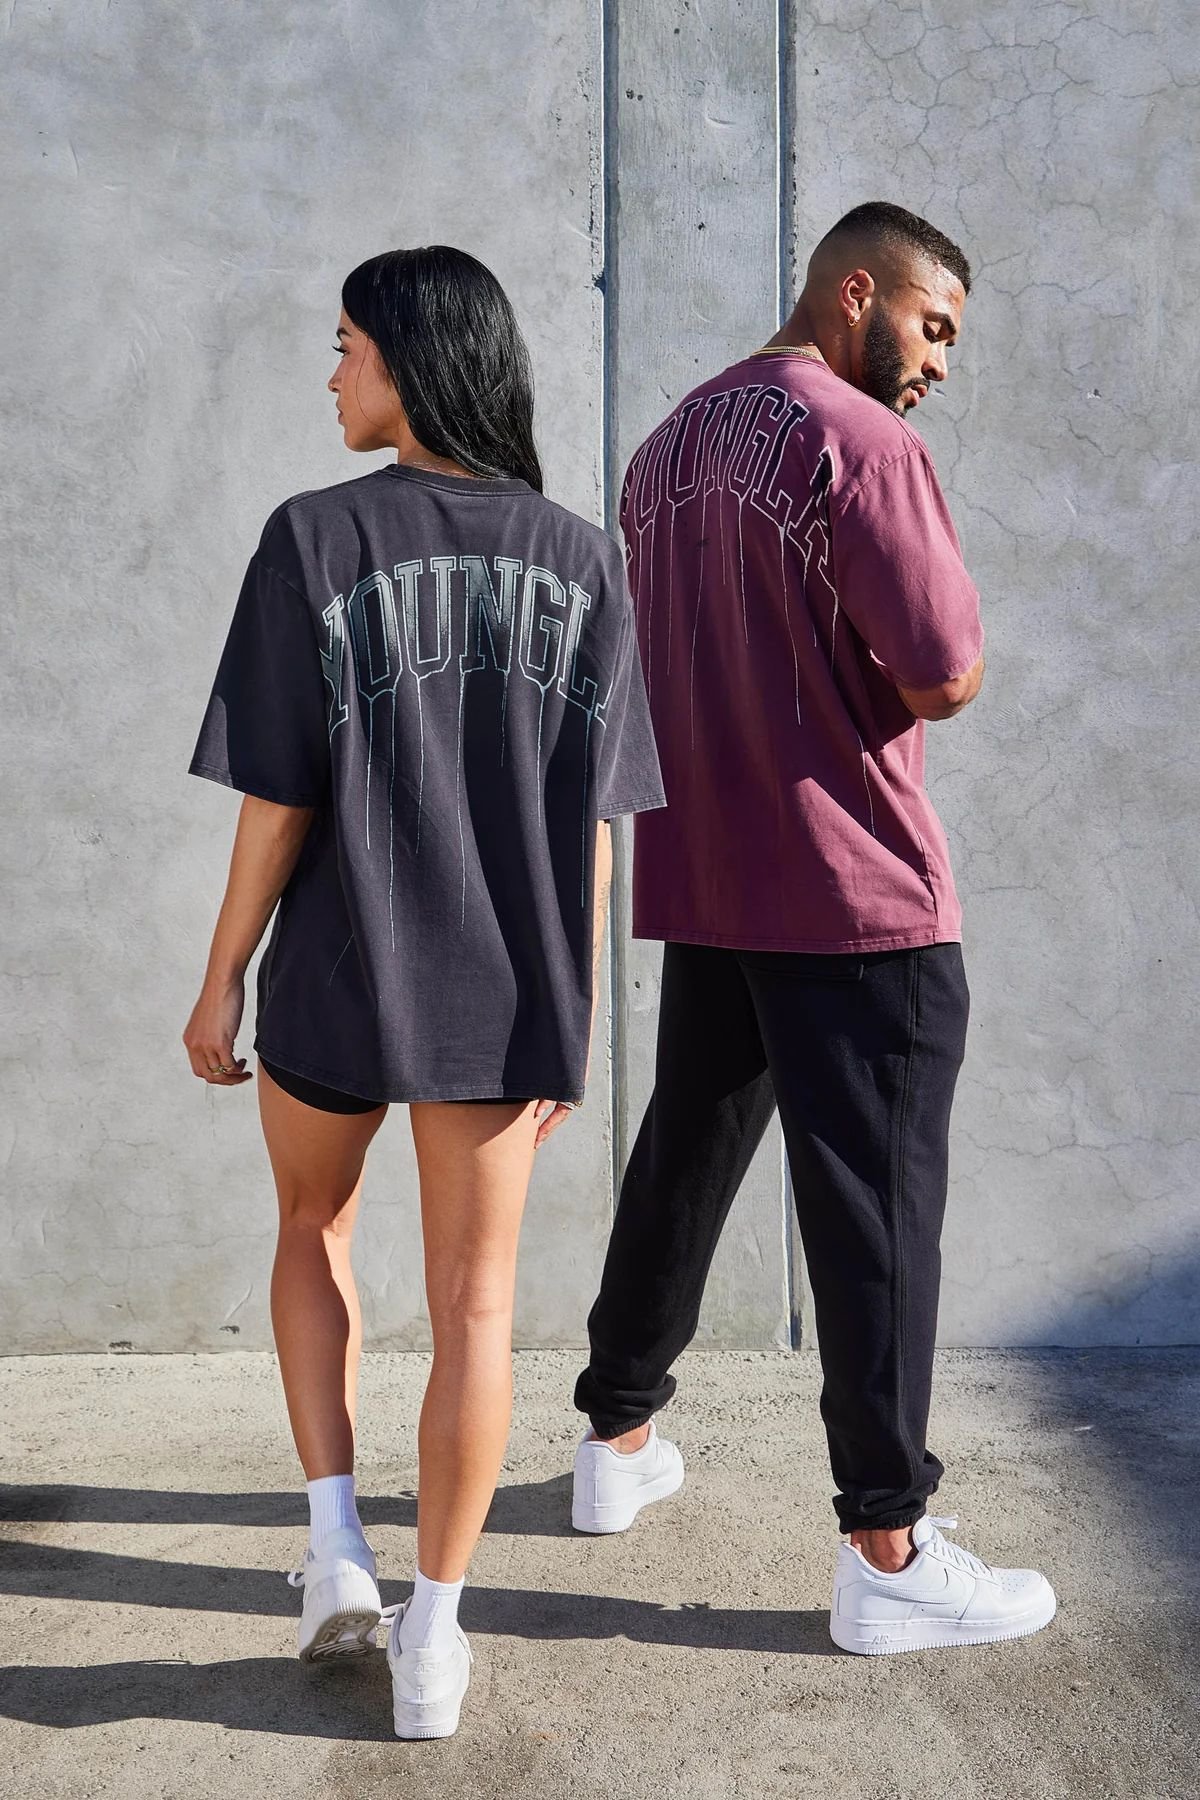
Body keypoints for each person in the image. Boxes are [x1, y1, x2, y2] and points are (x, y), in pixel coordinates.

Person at [182, 245, 664, 1738]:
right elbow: (597, 827)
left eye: (345, 346)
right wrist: (575, 1020)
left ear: (405, 357)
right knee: (478, 1305)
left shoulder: (312, 538)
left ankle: (336, 1543)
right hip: (505, 993)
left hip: (333, 969)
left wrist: (220, 979)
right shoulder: (583, 559)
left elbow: (276, 801)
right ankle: (435, 1643)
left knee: (309, 1227)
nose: (331, 373)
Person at [569, 202, 1056, 1655]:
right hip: (854, 889)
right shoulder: (864, 443)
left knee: (686, 1151)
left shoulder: (665, 450)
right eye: (932, 326)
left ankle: (615, 1441)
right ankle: (889, 1546)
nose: (940, 362)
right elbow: (945, 669)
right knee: (877, 1213)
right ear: (857, 294)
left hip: (714, 875)